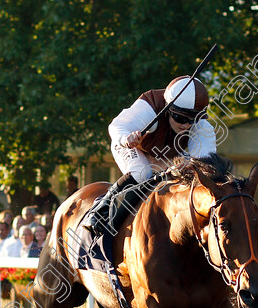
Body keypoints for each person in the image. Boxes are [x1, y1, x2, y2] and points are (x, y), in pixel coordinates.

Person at [82, 75, 216, 236]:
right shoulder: (148, 108)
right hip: (133, 147)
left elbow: (206, 165)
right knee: (142, 172)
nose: (186, 125)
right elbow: (117, 126)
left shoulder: (202, 126)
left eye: (193, 119)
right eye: (180, 118)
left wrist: (190, 167)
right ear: (168, 108)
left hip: (167, 157)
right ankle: (101, 210)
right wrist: (126, 139)